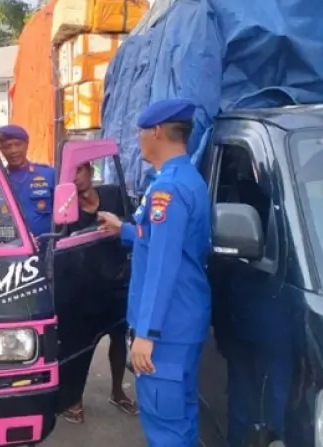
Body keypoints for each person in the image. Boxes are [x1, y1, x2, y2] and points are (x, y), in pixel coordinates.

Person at [97, 98, 211, 446]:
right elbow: (163, 240)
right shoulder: (185, 178)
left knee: (166, 429)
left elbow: (163, 265)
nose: (139, 140)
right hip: (183, 321)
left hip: (166, 330)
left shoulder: (167, 189)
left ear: (156, 132)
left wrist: (147, 334)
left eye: (141, 132)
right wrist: (126, 230)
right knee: (182, 417)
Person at [59, 161, 137, 424]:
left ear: (90, 171)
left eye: (78, 170)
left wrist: (121, 228)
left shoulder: (115, 194)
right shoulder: (66, 210)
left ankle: (118, 392)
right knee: (82, 346)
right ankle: (74, 400)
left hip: (117, 281)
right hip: (84, 287)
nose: (75, 177)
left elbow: (136, 223)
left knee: (118, 339)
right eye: (70, 172)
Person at [0, 125, 55, 243]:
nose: (13, 151)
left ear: (26, 145)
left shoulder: (48, 175)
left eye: (17, 145)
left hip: (47, 251)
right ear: (1, 150)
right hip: (12, 253)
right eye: (7, 147)